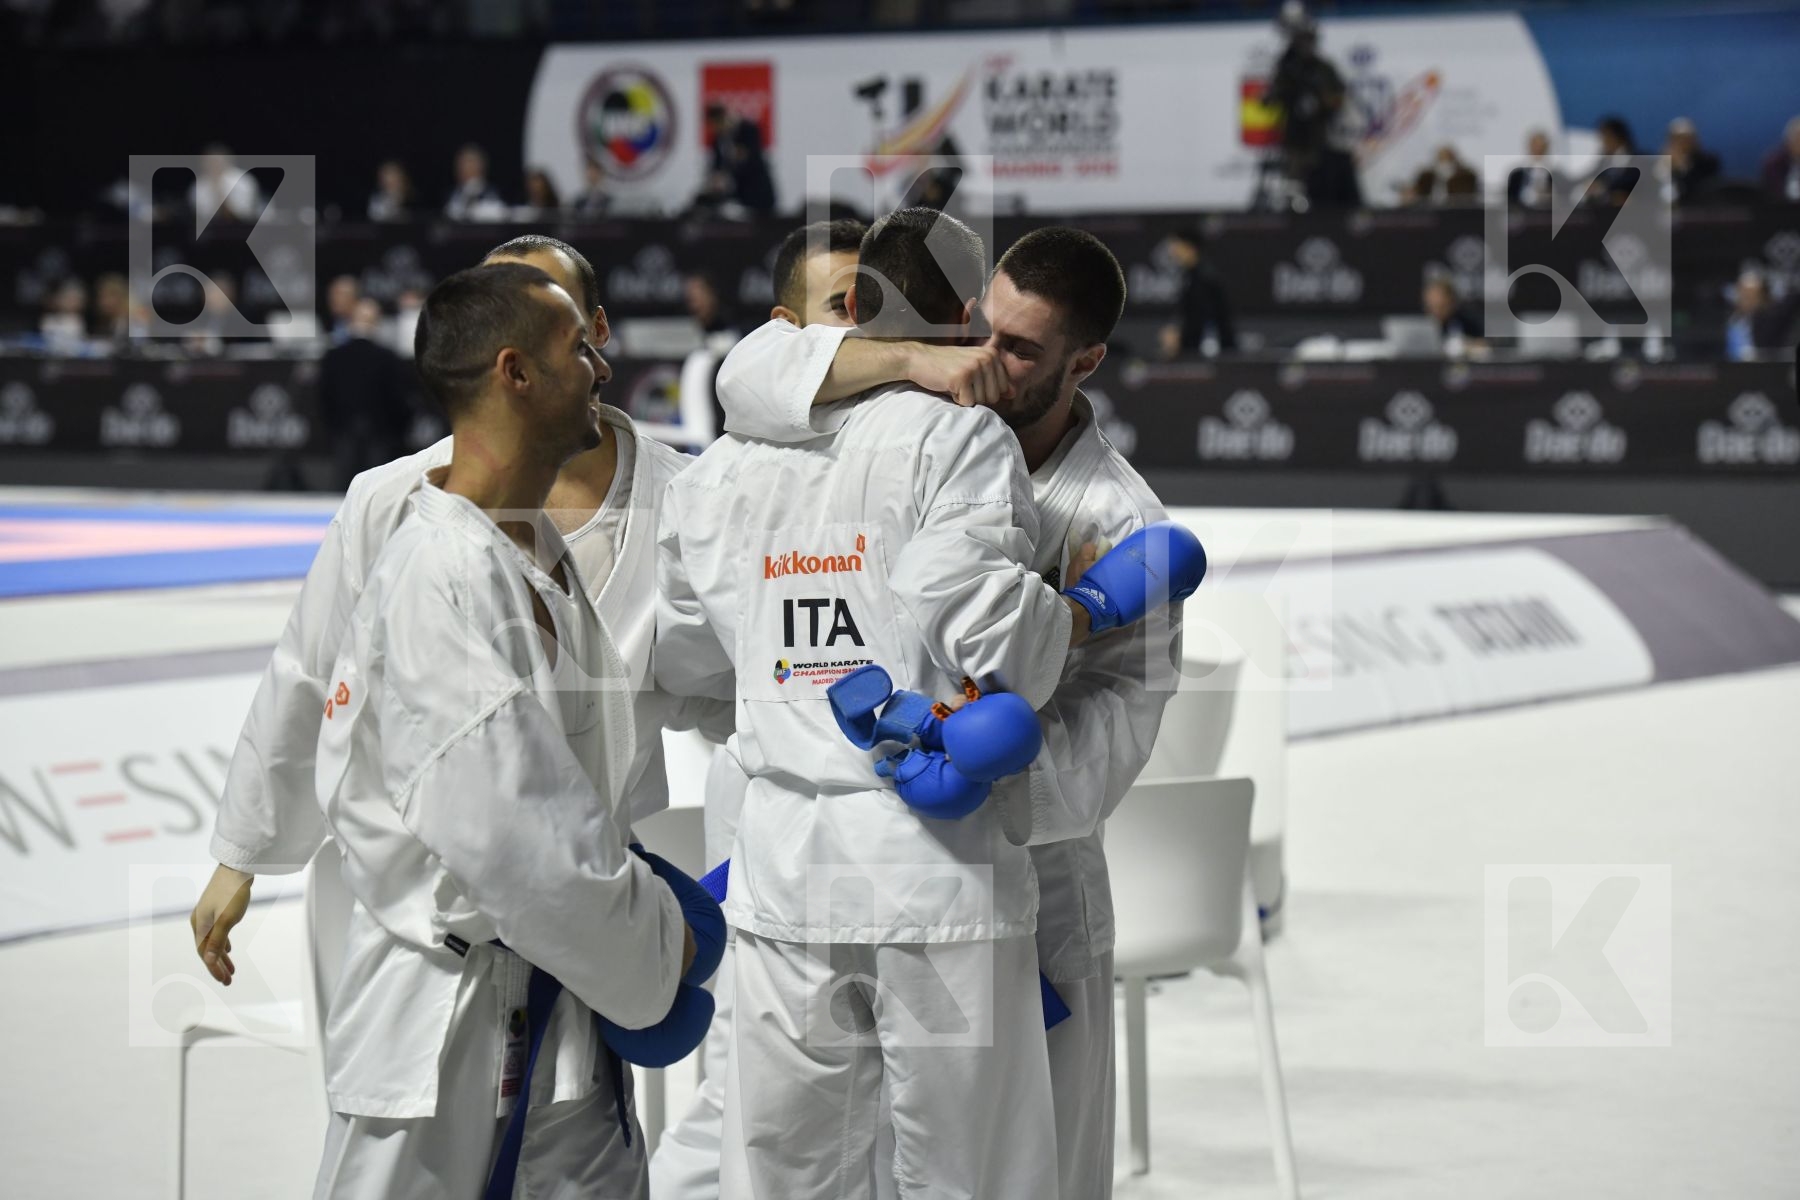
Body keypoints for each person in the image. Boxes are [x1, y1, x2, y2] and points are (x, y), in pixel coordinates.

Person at [656, 209, 1191, 1199]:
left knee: (997, 1169)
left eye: (1021, 348)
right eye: (983, 329)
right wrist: (1074, 616)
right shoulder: (893, 424)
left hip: (1002, 868)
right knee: (855, 1165)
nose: (987, 357)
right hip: (852, 869)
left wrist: (984, 771)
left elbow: (1115, 728)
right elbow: (759, 375)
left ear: (1085, 362)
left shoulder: (1114, 517)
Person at [191, 233, 733, 1129]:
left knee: (578, 1146)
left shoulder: (694, 499)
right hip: (449, 917)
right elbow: (309, 669)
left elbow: (736, 683)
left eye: (563, 324)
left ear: (595, 330)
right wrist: (244, 849)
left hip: (595, 895)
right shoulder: (399, 505)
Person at [304, 260, 698, 1198]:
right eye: (578, 349)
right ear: (515, 373)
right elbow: (519, 843)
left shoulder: (530, 550)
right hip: (448, 1032)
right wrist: (660, 942)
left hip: (566, 1020)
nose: (603, 366)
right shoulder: (437, 573)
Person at [647, 216, 866, 1200]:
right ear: (784, 330)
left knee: (905, 1100)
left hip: (919, 825)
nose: (858, 329)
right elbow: (687, 666)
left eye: (875, 308)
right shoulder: (717, 482)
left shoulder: (945, 452)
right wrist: (773, 717)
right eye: (838, 307)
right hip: (776, 813)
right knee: (757, 1092)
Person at [319, 298, 416, 490]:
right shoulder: (387, 358)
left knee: (343, 489)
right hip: (380, 433)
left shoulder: (334, 356)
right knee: (377, 487)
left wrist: (332, 426)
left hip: (344, 431)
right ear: (376, 322)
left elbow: (324, 397)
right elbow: (399, 399)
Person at [1159, 225, 1237, 358]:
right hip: (1195, 350)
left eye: (1176, 246)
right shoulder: (1188, 276)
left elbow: (1206, 321)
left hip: (1210, 354)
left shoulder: (1204, 278)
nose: (1173, 252)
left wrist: (1179, 337)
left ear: (1190, 248)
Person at [695, 103, 776, 216]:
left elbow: (751, 161)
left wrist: (726, 177)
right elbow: (717, 166)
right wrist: (715, 179)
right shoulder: (719, 139)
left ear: (724, 118)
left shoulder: (748, 130)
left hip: (757, 194)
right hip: (736, 197)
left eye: (717, 124)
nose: (716, 129)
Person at [1724, 270, 1800, 361]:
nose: (1747, 300)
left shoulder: (1770, 320)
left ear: (1762, 297)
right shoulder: (1732, 319)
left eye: (1752, 296)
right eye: (1744, 295)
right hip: (1731, 365)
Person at [1664, 118, 1720, 205]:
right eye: (1677, 139)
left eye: (1686, 138)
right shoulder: (1663, 163)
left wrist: (1683, 166)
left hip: (1698, 207)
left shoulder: (1708, 162)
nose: (1682, 143)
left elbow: (1696, 188)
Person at [1423, 271, 1482, 351]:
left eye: (1442, 306)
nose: (1436, 311)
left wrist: (1467, 345)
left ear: (1452, 302)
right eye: (1431, 307)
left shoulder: (1467, 322)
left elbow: (1483, 344)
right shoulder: (1422, 326)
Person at [445, 143, 506, 221]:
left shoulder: (491, 193)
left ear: (481, 167)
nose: (466, 168)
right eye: (462, 164)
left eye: (470, 163)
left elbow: (498, 213)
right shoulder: (453, 194)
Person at [1505, 128, 1559, 210]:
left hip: (1546, 213)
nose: (1538, 150)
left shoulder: (1555, 175)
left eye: (1541, 147)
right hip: (1522, 212)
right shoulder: (1516, 175)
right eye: (1535, 146)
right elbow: (1510, 199)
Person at [1760, 115, 1800, 202]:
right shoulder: (1774, 162)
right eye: (1797, 139)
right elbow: (1776, 193)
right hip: (1782, 206)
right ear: (1788, 140)